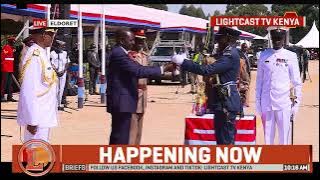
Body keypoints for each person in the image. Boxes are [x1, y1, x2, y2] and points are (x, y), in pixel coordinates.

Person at [171, 26, 242, 145]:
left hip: (226, 102)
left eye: (220, 39)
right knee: (222, 140)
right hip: (223, 102)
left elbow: (206, 70)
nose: (217, 42)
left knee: (225, 142)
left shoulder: (229, 55)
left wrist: (183, 62)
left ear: (228, 39)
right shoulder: (228, 53)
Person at [107, 29, 173, 144]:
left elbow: (140, 68)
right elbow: (138, 70)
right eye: (131, 40)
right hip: (122, 102)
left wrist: (163, 68)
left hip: (125, 101)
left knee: (121, 135)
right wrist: (164, 68)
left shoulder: (122, 53)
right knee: (121, 138)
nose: (133, 43)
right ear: (122, 41)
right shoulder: (119, 54)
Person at [256, 27, 302, 145]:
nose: (277, 41)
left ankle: (283, 160)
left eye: (279, 38)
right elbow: (259, 80)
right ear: (271, 38)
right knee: (268, 138)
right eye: (274, 38)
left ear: (283, 39)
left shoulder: (290, 56)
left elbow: (296, 82)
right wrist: (258, 102)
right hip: (267, 103)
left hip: (283, 103)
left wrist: (296, 104)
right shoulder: (263, 55)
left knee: (284, 139)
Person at [17, 26, 58, 143]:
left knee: (42, 153)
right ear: (43, 35)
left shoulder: (41, 53)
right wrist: (32, 120)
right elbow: (29, 88)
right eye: (51, 34)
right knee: (35, 153)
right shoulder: (34, 55)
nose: (52, 38)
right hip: (37, 118)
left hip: (43, 116)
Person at [127, 29, 149, 145]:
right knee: (132, 124)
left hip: (143, 92)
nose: (140, 43)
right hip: (133, 92)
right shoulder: (130, 56)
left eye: (142, 40)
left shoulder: (144, 56)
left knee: (140, 125)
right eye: (138, 40)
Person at [50, 40, 70, 110]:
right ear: (57, 46)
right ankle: (53, 104)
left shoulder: (65, 53)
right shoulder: (52, 53)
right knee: (55, 89)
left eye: (63, 46)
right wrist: (57, 71)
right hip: (55, 73)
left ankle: (59, 104)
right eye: (61, 46)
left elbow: (67, 63)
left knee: (61, 88)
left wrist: (64, 71)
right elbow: (51, 63)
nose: (62, 48)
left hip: (63, 73)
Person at [1, 36, 17, 102]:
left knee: (10, 83)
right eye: (12, 41)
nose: (13, 43)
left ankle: (9, 96)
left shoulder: (10, 48)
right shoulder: (6, 47)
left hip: (10, 68)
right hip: (5, 68)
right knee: (4, 83)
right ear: (10, 41)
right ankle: (1, 96)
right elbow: (2, 57)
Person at [238, 43, 251, 107]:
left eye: (246, 47)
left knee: (247, 87)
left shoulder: (246, 54)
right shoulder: (240, 55)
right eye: (244, 47)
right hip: (243, 73)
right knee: (244, 87)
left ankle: (246, 102)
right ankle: (244, 102)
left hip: (247, 73)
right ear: (241, 47)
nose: (245, 48)